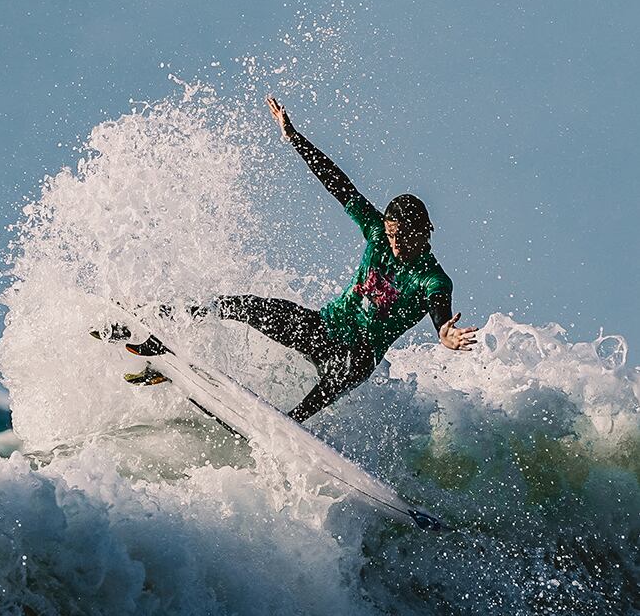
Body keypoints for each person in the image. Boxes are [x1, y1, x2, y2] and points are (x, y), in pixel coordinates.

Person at [180, 97, 477, 422]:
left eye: (403, 237)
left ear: (426, 231)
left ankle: (286, 425)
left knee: (340, 374)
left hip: (357, 355)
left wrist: (444, 333)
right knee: (248, 307)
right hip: (326, 327)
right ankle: (172, 321)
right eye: (392, 236)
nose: (396, 244)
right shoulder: (377, 233)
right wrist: (294, 138)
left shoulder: (431, 278)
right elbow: (338, 183)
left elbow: (439, 309)